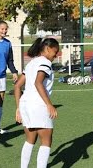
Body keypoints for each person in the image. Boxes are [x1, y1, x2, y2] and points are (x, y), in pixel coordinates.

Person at [14, 38, 59, 168]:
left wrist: (18, 108)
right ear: (47, 49)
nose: (56, 55)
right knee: (46, 141)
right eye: (55, 52)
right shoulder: (45, 63)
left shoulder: (31, 63)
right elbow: (38, 82)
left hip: (25, 104)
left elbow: (17, 86)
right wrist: (49, 104)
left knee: (30, 140)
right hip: (38, 105)